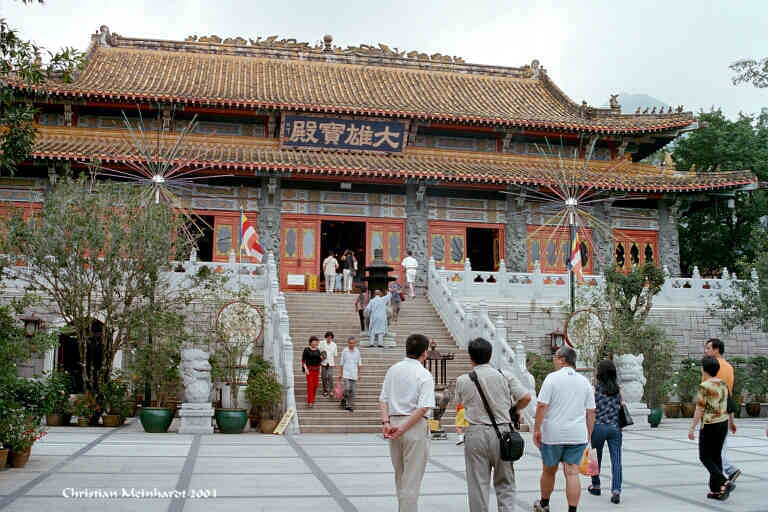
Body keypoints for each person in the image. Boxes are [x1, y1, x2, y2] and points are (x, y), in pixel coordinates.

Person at [455, 337, 532, 512]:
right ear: (490, 355)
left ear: (470, 357)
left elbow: (459, 403)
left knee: (478, 485)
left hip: (475, 434)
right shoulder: (505, 375)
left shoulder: (463, 380)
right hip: (502, 433)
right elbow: (526, 397)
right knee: (505, 482)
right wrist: (515, 409)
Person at [533, 346, 596, 512]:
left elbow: (541, 406)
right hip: (577, 434)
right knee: (572, 473)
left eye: (555, 356)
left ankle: (544, 504)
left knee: (549, 471)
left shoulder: (552, 379)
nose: (553, 359)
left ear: (562, 359)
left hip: (552, 434)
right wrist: (589, 433)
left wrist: (536, 429)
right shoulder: (584, 382)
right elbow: (591, 411)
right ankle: (572, 510)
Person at [379, 333, 435, 512]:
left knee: (400, 476)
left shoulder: (393, 369)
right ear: (425, 353)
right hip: (414, 426)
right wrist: (402, 428)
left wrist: (386, 423)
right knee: (411, 480)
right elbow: (424, 408)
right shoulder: (424, 374)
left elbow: (383, 399)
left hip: (393, 423)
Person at [688, 356, 736, 501]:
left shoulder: (705, 386)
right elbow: (729, 405)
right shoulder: (723, 384)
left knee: (704, 456)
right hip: (722, 424)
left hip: (709, 425)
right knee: (716, 456)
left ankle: (724, 482)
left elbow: (699, 409)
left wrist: (691, 428)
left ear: (704, 369)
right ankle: (717, 491)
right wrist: (731, 422)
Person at [703, 338, 741, 485]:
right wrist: (731, 419)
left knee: (710, 451)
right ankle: (721, 478)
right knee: (720, 445)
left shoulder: (710, 366)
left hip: (712, 413)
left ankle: (727, 473)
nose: (705, 351)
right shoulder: (729, 367)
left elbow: (706, 390)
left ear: (716, 350)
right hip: (725, 410)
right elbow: (729, 393)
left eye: (708, 348)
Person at [588, 360, 624, 505]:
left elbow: (590, 410)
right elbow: (621, 407)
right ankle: (616, 490)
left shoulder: (594, 390)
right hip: (615, 428)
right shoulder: (618, 390)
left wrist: (588, 429)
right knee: (617, 460)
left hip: (598, 427)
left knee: (595, 457)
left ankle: (596, 485)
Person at [339, 336, 362, 412]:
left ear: (355, 343)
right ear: (348, 343)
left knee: (353, 391)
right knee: (347, 388)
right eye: (350, 343)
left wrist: (359, 374)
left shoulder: (357, 351)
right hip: (346, 373)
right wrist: (340, 373)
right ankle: (343, 398)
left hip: (354, 374)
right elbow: (341, 363)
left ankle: (349, 405)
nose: (352, 344)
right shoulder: (345, 351)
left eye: (353, 343)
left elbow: (359, 364)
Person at [301, 336, 323, 408]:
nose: (315, 343)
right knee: (310, 385)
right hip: (309, 370)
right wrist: (305, 368)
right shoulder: (306, 349)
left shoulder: (318, 350)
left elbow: (319, 361)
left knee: (315, 385)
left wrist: (320, 367)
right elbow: (303, 360)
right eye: (313, 341)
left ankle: (312, 399)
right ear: (310, 342)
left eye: (316, 341)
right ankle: (310, 402)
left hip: (316, 370)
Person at [319, 331, 337, 398]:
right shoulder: (322, 343)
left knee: (330, 376)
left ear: (332, 338)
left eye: (330, 337)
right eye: (328, 337)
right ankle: (325, 390)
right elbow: (319, 350)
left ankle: (331, 390)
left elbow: (335, 355)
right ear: (326, 337)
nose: (329, 339)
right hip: (323, 363)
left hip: (331, 363)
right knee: (323, 377)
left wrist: (334, 363)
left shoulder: (334, 345)